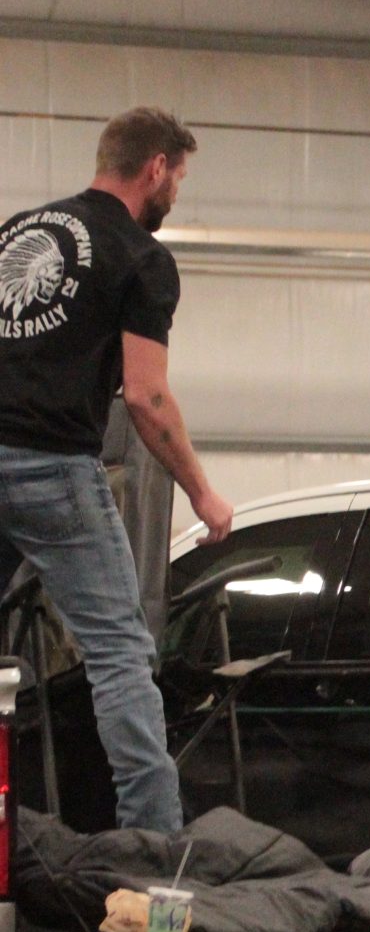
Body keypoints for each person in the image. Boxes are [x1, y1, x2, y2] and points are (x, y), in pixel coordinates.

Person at [0, 107, 231, 832]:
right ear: (156, 168)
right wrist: (202, 492)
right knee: (120, 653)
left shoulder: (18, 231)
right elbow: (146, 396)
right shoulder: (140, 256)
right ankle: (153, 842)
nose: (176, 195)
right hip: (52, 468)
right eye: (178, 179)